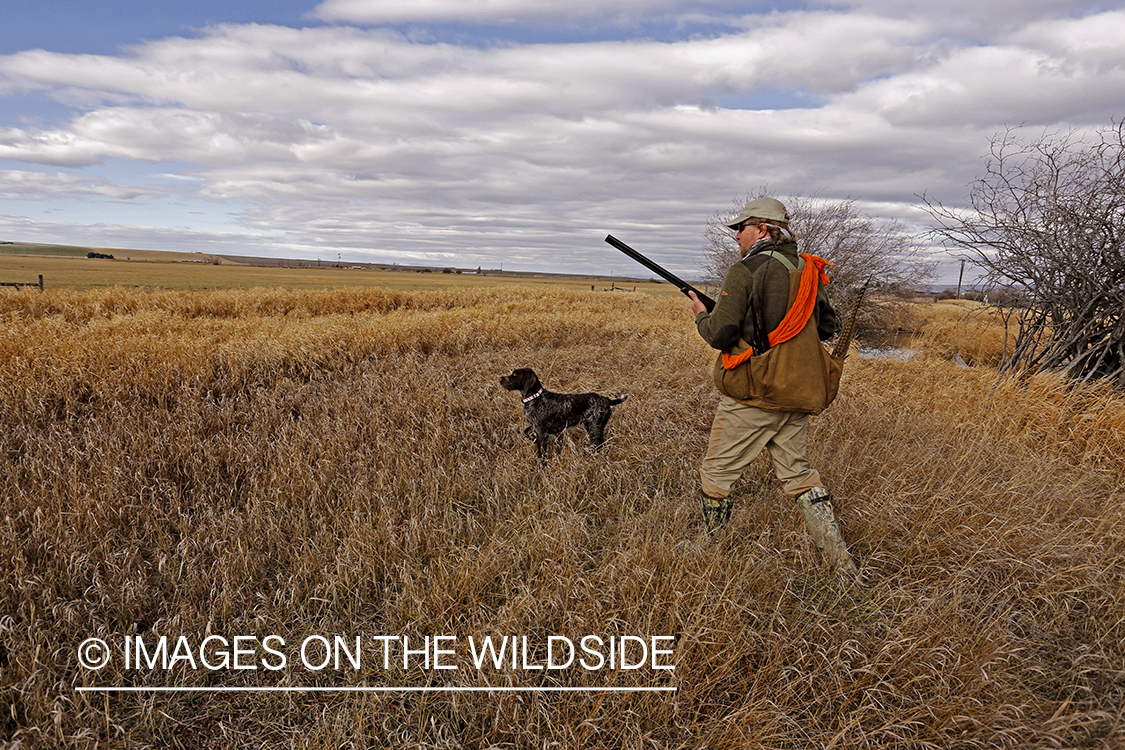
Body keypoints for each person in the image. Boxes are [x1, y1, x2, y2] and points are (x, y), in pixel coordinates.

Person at [688, 197, 858, 579]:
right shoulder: (807, 269)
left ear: (762, 229)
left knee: (716, 474)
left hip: (757, 393)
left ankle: (707, 550)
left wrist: (702, 315)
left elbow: (720, 334)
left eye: (740, 228)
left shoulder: (746, 268)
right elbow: (827, 327)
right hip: (798, 389)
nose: (736, 237)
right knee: (799, 475)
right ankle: (841, 565)